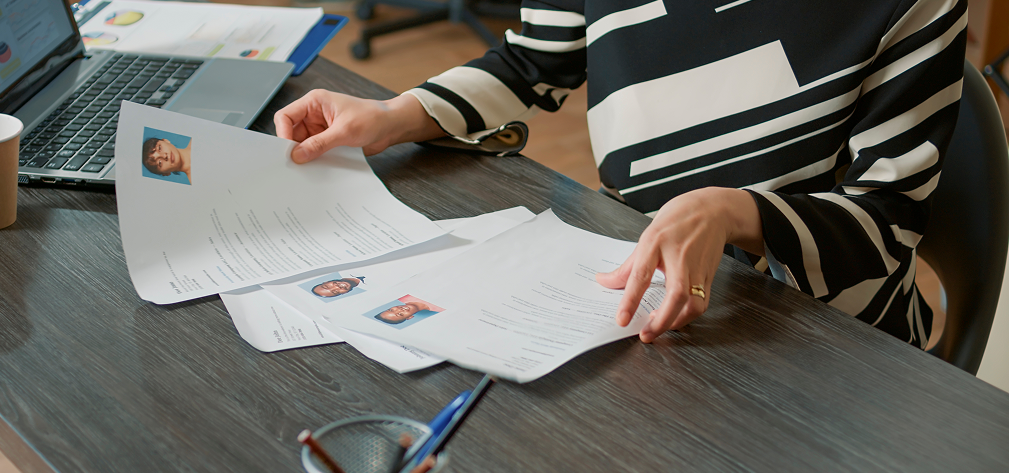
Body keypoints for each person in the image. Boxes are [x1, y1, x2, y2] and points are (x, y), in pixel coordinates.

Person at [274, 0, 966, 348]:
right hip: (632, 297)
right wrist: (394, 115)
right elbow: (534, 62)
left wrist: (733, 212)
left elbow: (888, 220)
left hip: (823, 339)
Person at [374, 295, 442, 324]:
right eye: (400, 314)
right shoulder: (439, 309)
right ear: (410, 317)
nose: (399, 310)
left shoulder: (402, 296)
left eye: (391, 310)